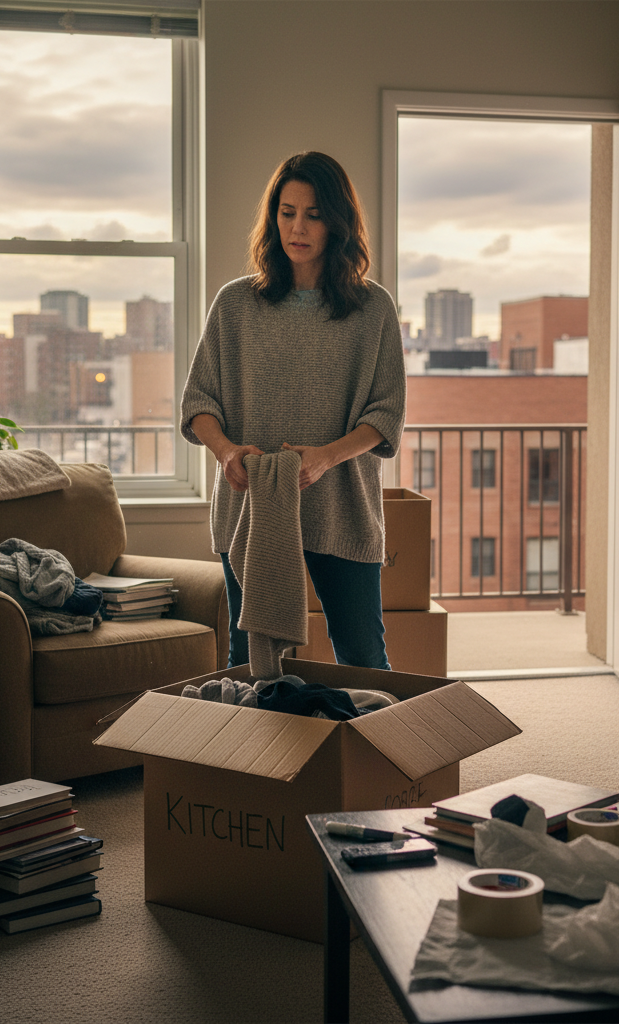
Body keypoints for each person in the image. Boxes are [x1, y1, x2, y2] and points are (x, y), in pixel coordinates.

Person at [180, 151, 406, 671]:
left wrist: (327, 456)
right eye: (286, 212)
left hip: (341, 505)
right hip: (251, 506)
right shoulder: (234, 304)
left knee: (362, 653)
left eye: (314, 213)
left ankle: (375, 755)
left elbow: (386, 412)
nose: (297, 227)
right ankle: (259, 757)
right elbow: (199, 403)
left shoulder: (373, 309)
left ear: (339, 222)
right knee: (249, 659)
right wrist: (225, 451)